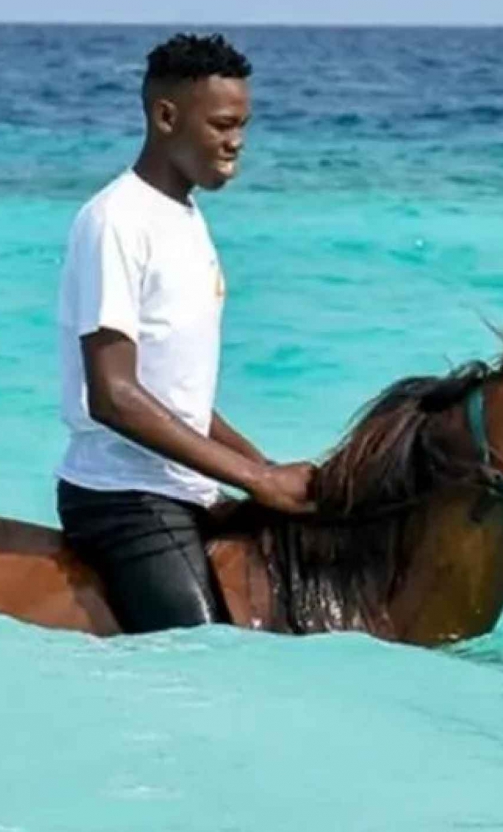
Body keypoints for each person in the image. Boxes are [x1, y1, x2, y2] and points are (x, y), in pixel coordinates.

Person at [56, 33, 314, 633]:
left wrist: (266, 467)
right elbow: (114, 395)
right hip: (122, 496)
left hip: (187, 489)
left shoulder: (186, 218)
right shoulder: (116, 221)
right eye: (222, 124)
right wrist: (255, 479)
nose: (236, 142)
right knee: (202, 657)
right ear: (166, 116)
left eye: (244, 125)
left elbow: (180, 399)